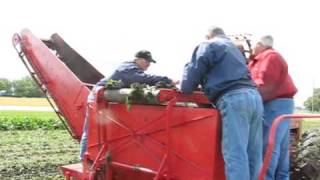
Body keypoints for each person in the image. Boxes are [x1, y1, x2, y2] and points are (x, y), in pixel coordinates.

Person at [180, 26, 264, 180]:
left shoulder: (208, 45)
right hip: (254, 98)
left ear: (208, 36)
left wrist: (184, 80)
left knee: (235, 153)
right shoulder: (234, 49)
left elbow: (187, 85)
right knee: (253, 153)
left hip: (233, 99)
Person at [79, 50, 178, 160]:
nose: (148, 65)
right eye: (147, 61)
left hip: (106, 97)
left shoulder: (132, 69)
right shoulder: (128, 68)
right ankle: (84, 158)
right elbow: (143, 78)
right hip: (98, 96)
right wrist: (167, 80)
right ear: (138, 59)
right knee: (91, 130)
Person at [248, 35, 297, 180]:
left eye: (253, 45)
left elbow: (265, 84)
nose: (251, 48)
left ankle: (266, 177)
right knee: (280, 148)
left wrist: (251, 101)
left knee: (268, 146)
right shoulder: (263, 58)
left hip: (275, 104)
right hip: (280, 103)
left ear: (260, 44)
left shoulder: (269, 57)